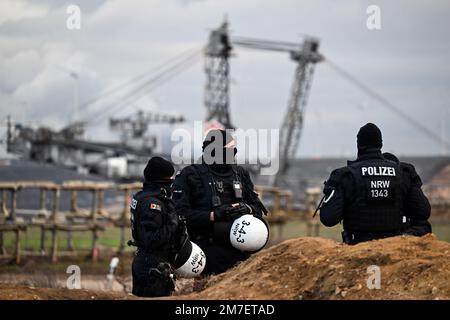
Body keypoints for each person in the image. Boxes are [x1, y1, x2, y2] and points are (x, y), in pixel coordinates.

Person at [172, 129, 267, 275]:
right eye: (228, 150)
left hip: (240, 250)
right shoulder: (190, 175)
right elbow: (179, 215)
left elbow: (258, 209)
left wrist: (246, 209)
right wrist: (213, 216)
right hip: (207, 251)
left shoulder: (240, 174)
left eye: (234, 150)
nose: (233, 154)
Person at [318, 123, 432, 244]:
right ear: (380, 144)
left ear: (358, 145)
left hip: (358, 249)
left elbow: (328, 218)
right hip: (395, 247)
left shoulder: (346, 176)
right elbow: (423, 212)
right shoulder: (404, 172)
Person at [129, 156, 186, 297]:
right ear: (162, 180)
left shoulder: (143, 196)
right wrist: (173, 223)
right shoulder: (152, 204)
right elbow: (151, 240)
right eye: (169, 179)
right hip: (152, 265)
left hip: (149, 261)